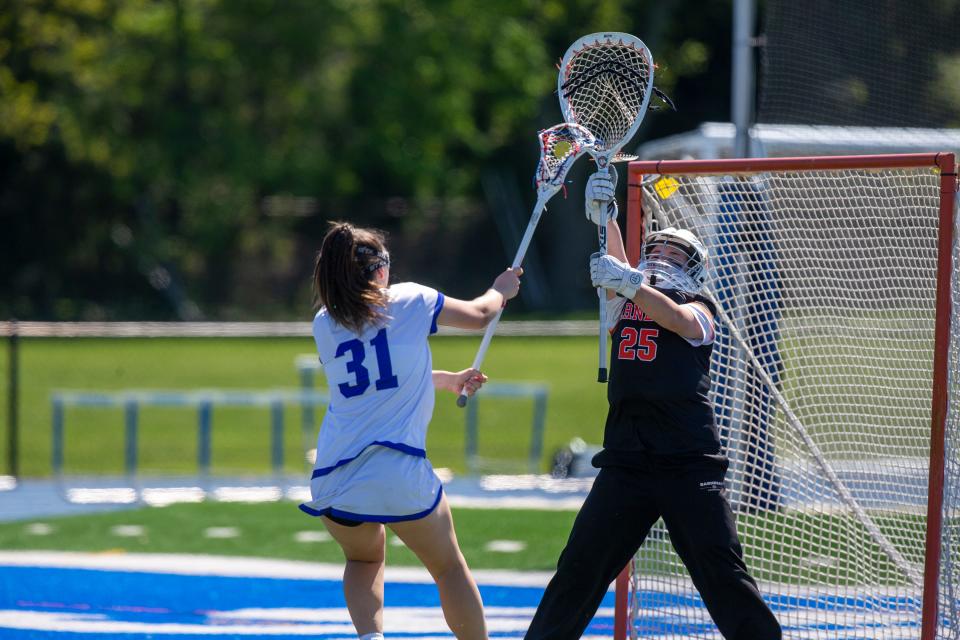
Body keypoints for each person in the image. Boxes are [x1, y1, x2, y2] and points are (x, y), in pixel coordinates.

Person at [524, 171, 781, 639]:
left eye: (673, 253)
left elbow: (677, 318)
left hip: (689, 464)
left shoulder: (700, 304)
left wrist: (628, 280)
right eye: (656, 249)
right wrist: (607, 217)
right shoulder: (624, 301)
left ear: (694, 267)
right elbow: (621, 272)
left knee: (723, 578)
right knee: (578, 571)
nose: (661, 256)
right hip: (627, 462)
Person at [300, 221, 522, 640]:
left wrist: (448, 379)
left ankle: (372, 636)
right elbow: (480, 315)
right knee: (448, 567)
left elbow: (378, 379)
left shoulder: (324, 324)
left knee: (364, 561)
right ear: (381, 268)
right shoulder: (410, 299)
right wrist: (501, 289)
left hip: (335, 474)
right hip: (398, 468)